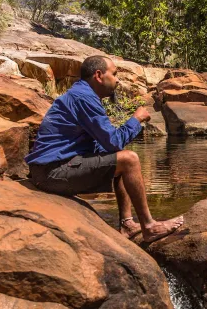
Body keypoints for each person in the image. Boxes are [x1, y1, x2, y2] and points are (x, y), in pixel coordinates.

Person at [25, 55, 183, 242]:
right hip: (51, 173)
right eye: (114, 74)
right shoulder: (84, 98)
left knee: (118, 157)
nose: (117, 80)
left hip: (50, 169)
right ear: (99, 75)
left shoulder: (82, 95)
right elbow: (114, 142)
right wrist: (136, 119)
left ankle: (127, 224)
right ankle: (149, 226)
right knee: (129, 159)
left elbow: (106, 145)